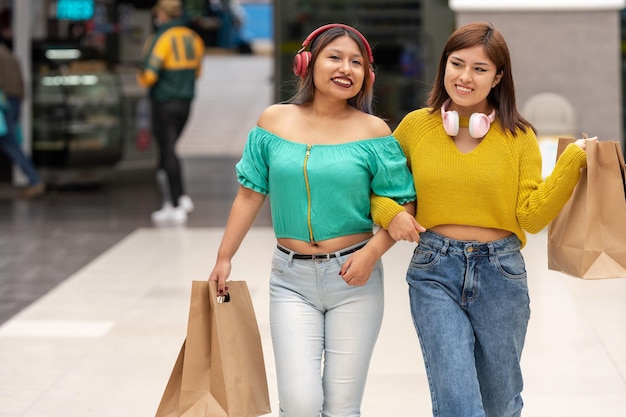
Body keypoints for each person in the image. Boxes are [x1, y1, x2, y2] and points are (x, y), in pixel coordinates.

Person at [371, 22, 594, 417]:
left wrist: (572, 161)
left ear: (498, 77)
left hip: (501, 273)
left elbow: (532, 215)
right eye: (457, 64)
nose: (465, 77)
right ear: (444, 66)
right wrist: (390, 214)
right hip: (434, 270)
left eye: (480, 68)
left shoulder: (519, 136)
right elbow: (378, 187)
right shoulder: (414, 127)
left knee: (499, 403)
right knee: (457, 402)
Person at [209, 24, 416, 417]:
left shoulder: (374, 131)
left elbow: (403, 205)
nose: (346, 68)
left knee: (341, 408)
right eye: (335, 57)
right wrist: (224, 256)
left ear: (366, 76)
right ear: (307, 63)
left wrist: (371, 255)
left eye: (356, 62)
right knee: (300, 405)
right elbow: (250, 194)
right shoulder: (273, 122)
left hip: (354, 277)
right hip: (290, 280)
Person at [137, 0, 205, 226]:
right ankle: (179, 197)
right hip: (185, 102)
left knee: (167, 150)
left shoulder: (161, 39)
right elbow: (197, 72)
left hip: (164, 102)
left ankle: (176, 203)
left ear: (162, 15)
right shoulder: (194, 39)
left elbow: (149, 76)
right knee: (171, 149)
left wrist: (140, 75)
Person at [0, 42, 45, 199]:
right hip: (13, 101)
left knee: (9, 143)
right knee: (10, 142)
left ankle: (35, 180)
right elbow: (22, 84)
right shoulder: (10, 56)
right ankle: (34, 180)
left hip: (3, 102)